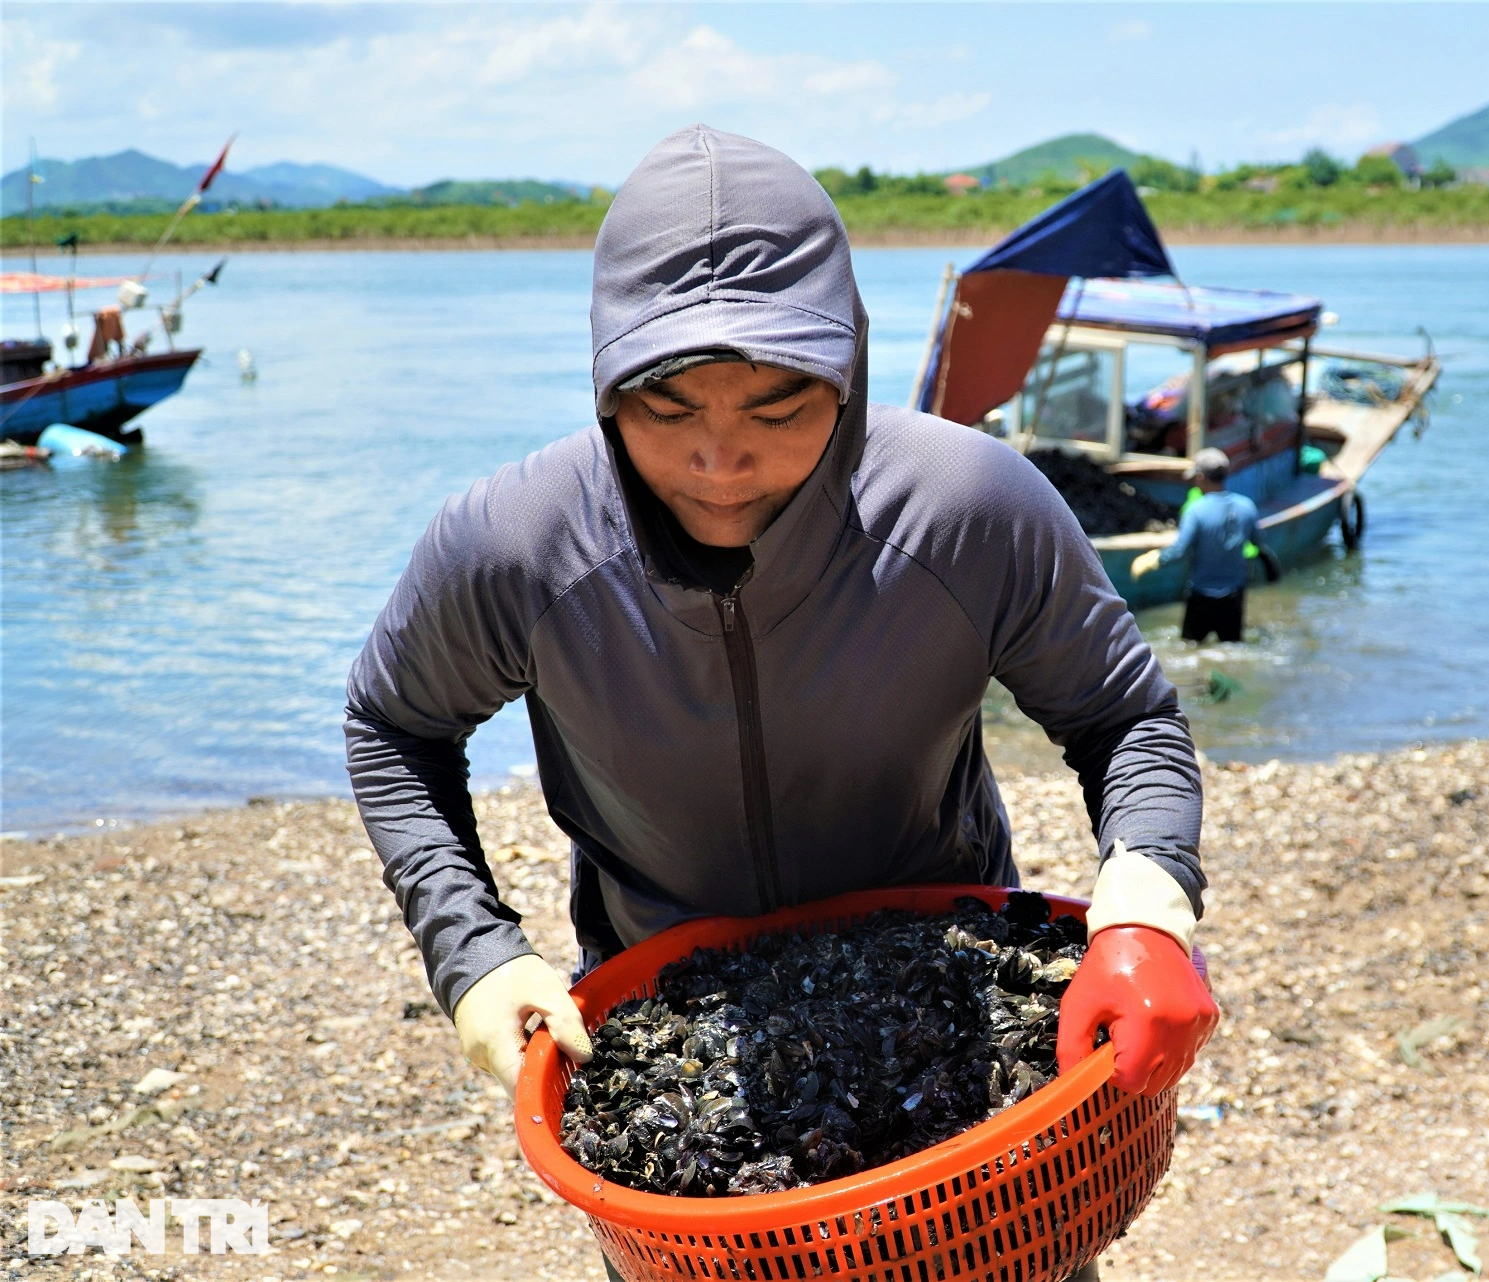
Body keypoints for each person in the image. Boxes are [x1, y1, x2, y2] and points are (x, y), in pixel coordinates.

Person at [343, 127, 1217, 1199]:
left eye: (779, 406)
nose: (719, 463)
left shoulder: (970, 512)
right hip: (669, 1016)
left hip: (950, 1007)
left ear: (846, 374)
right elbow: (394, 726)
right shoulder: (516, 547)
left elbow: (1122, 718)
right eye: (665, 408)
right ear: (605, 380)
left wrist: (1146, 895)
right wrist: (473, 950)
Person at [1130, 447, 1260, 643]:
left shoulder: (1195, 510)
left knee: (1191, 648)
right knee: (1231, 648)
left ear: (1200, 478)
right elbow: (1257, 542)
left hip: (1201, 596)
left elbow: (1180, 550)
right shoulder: (1247, 507)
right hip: (1234, 596)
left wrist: (1155, 558)